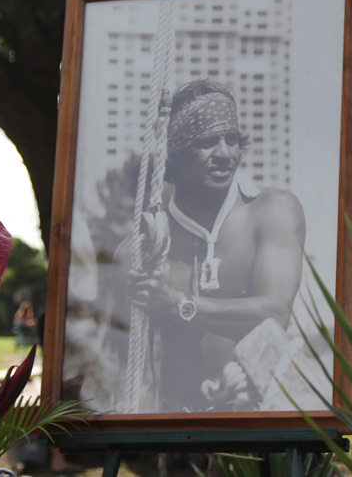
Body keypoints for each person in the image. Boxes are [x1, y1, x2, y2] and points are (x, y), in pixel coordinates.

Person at [112, 79, 306, 413]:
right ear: (174, 153)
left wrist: (180, 305)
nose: (224, 154)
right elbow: (131, 369)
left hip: (260, 430)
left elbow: (274, 315)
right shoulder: (140, 249)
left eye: (232, 139)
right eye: (206, 142)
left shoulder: (272, 212)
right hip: (178, 441)